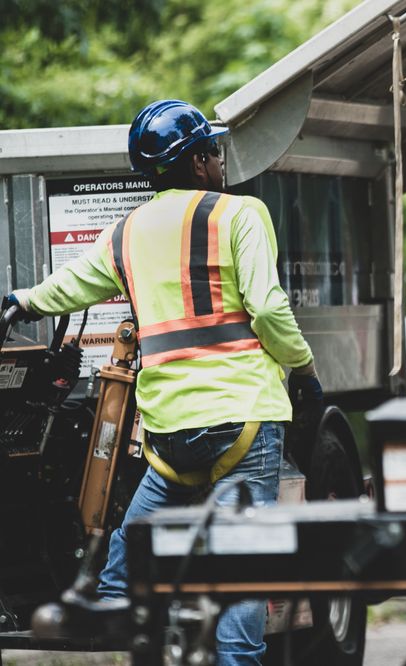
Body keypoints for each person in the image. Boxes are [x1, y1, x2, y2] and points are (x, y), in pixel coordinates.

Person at [4, 98, 321, 665]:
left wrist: (18, 300)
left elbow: (67, 288)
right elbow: (269, 310)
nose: (220, 164)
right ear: (199, 162)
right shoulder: (239, 214)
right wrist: (303, 366)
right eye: (214, 153)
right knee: (242, 569)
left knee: (130, 553)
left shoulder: (126, 233)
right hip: (244, 422)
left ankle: (116, 641)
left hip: (169, 432)